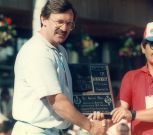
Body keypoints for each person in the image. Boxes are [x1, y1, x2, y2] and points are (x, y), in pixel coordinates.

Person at [11, 0, 107, 135]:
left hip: (54, 131)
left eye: (69, 23)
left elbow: (69, 95)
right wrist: (90, 127)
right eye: (59, 21)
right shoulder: (37, 51)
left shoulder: (60, 50)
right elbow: (57, 101)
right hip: (35, 130)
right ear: (43, 19)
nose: (64, 28)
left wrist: (92, 107)